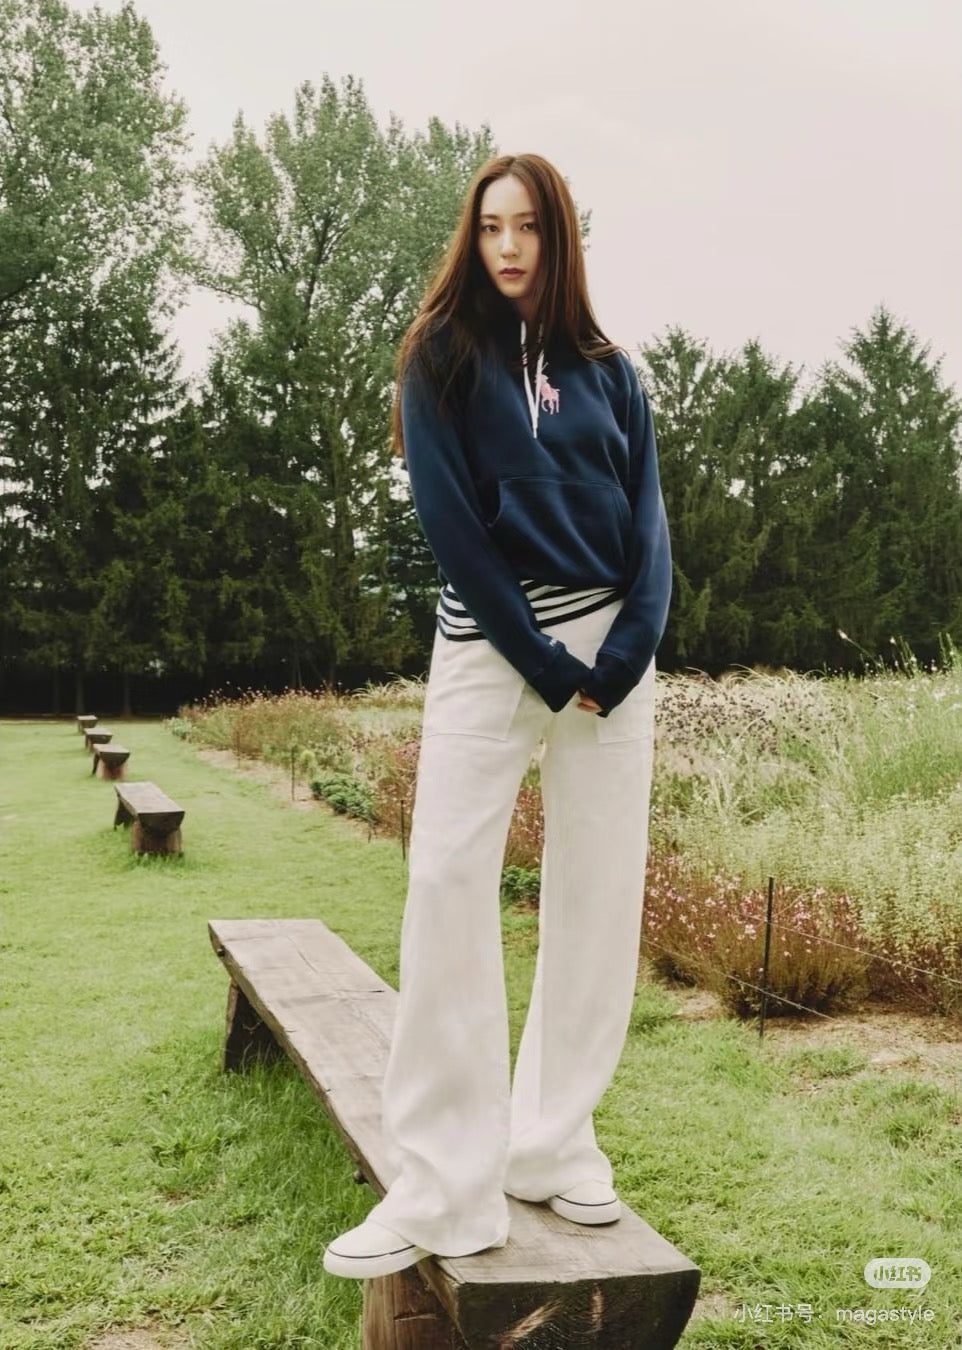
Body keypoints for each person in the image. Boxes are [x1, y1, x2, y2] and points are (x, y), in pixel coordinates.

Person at [323, 152, 672, 1280]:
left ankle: (551, 1144)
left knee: (596, 894)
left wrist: (624, 653)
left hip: (612, 660)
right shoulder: (439, 354)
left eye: (527, 227)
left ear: (558, 236)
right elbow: (449, 521)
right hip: (489, 645)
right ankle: (443, 1186)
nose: (508, 247)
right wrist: (538, 658)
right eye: (489, 227)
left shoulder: (613, 373)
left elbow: (649, 526)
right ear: (470, 238)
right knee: (444, 881)